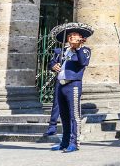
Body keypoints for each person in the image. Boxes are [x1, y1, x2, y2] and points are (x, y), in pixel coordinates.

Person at [48, 22, 93, 153]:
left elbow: (83, 62)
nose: (71, 37)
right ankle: (64, 142)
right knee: (64, 115)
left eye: (74, 35)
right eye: (70, 35)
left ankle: (75, 142)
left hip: (73, 84)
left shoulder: (84, 50)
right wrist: (52, 66)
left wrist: (77, 48)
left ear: (80, 37)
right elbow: (51, 62)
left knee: (74, 115)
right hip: (60, 84)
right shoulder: (61, 51)